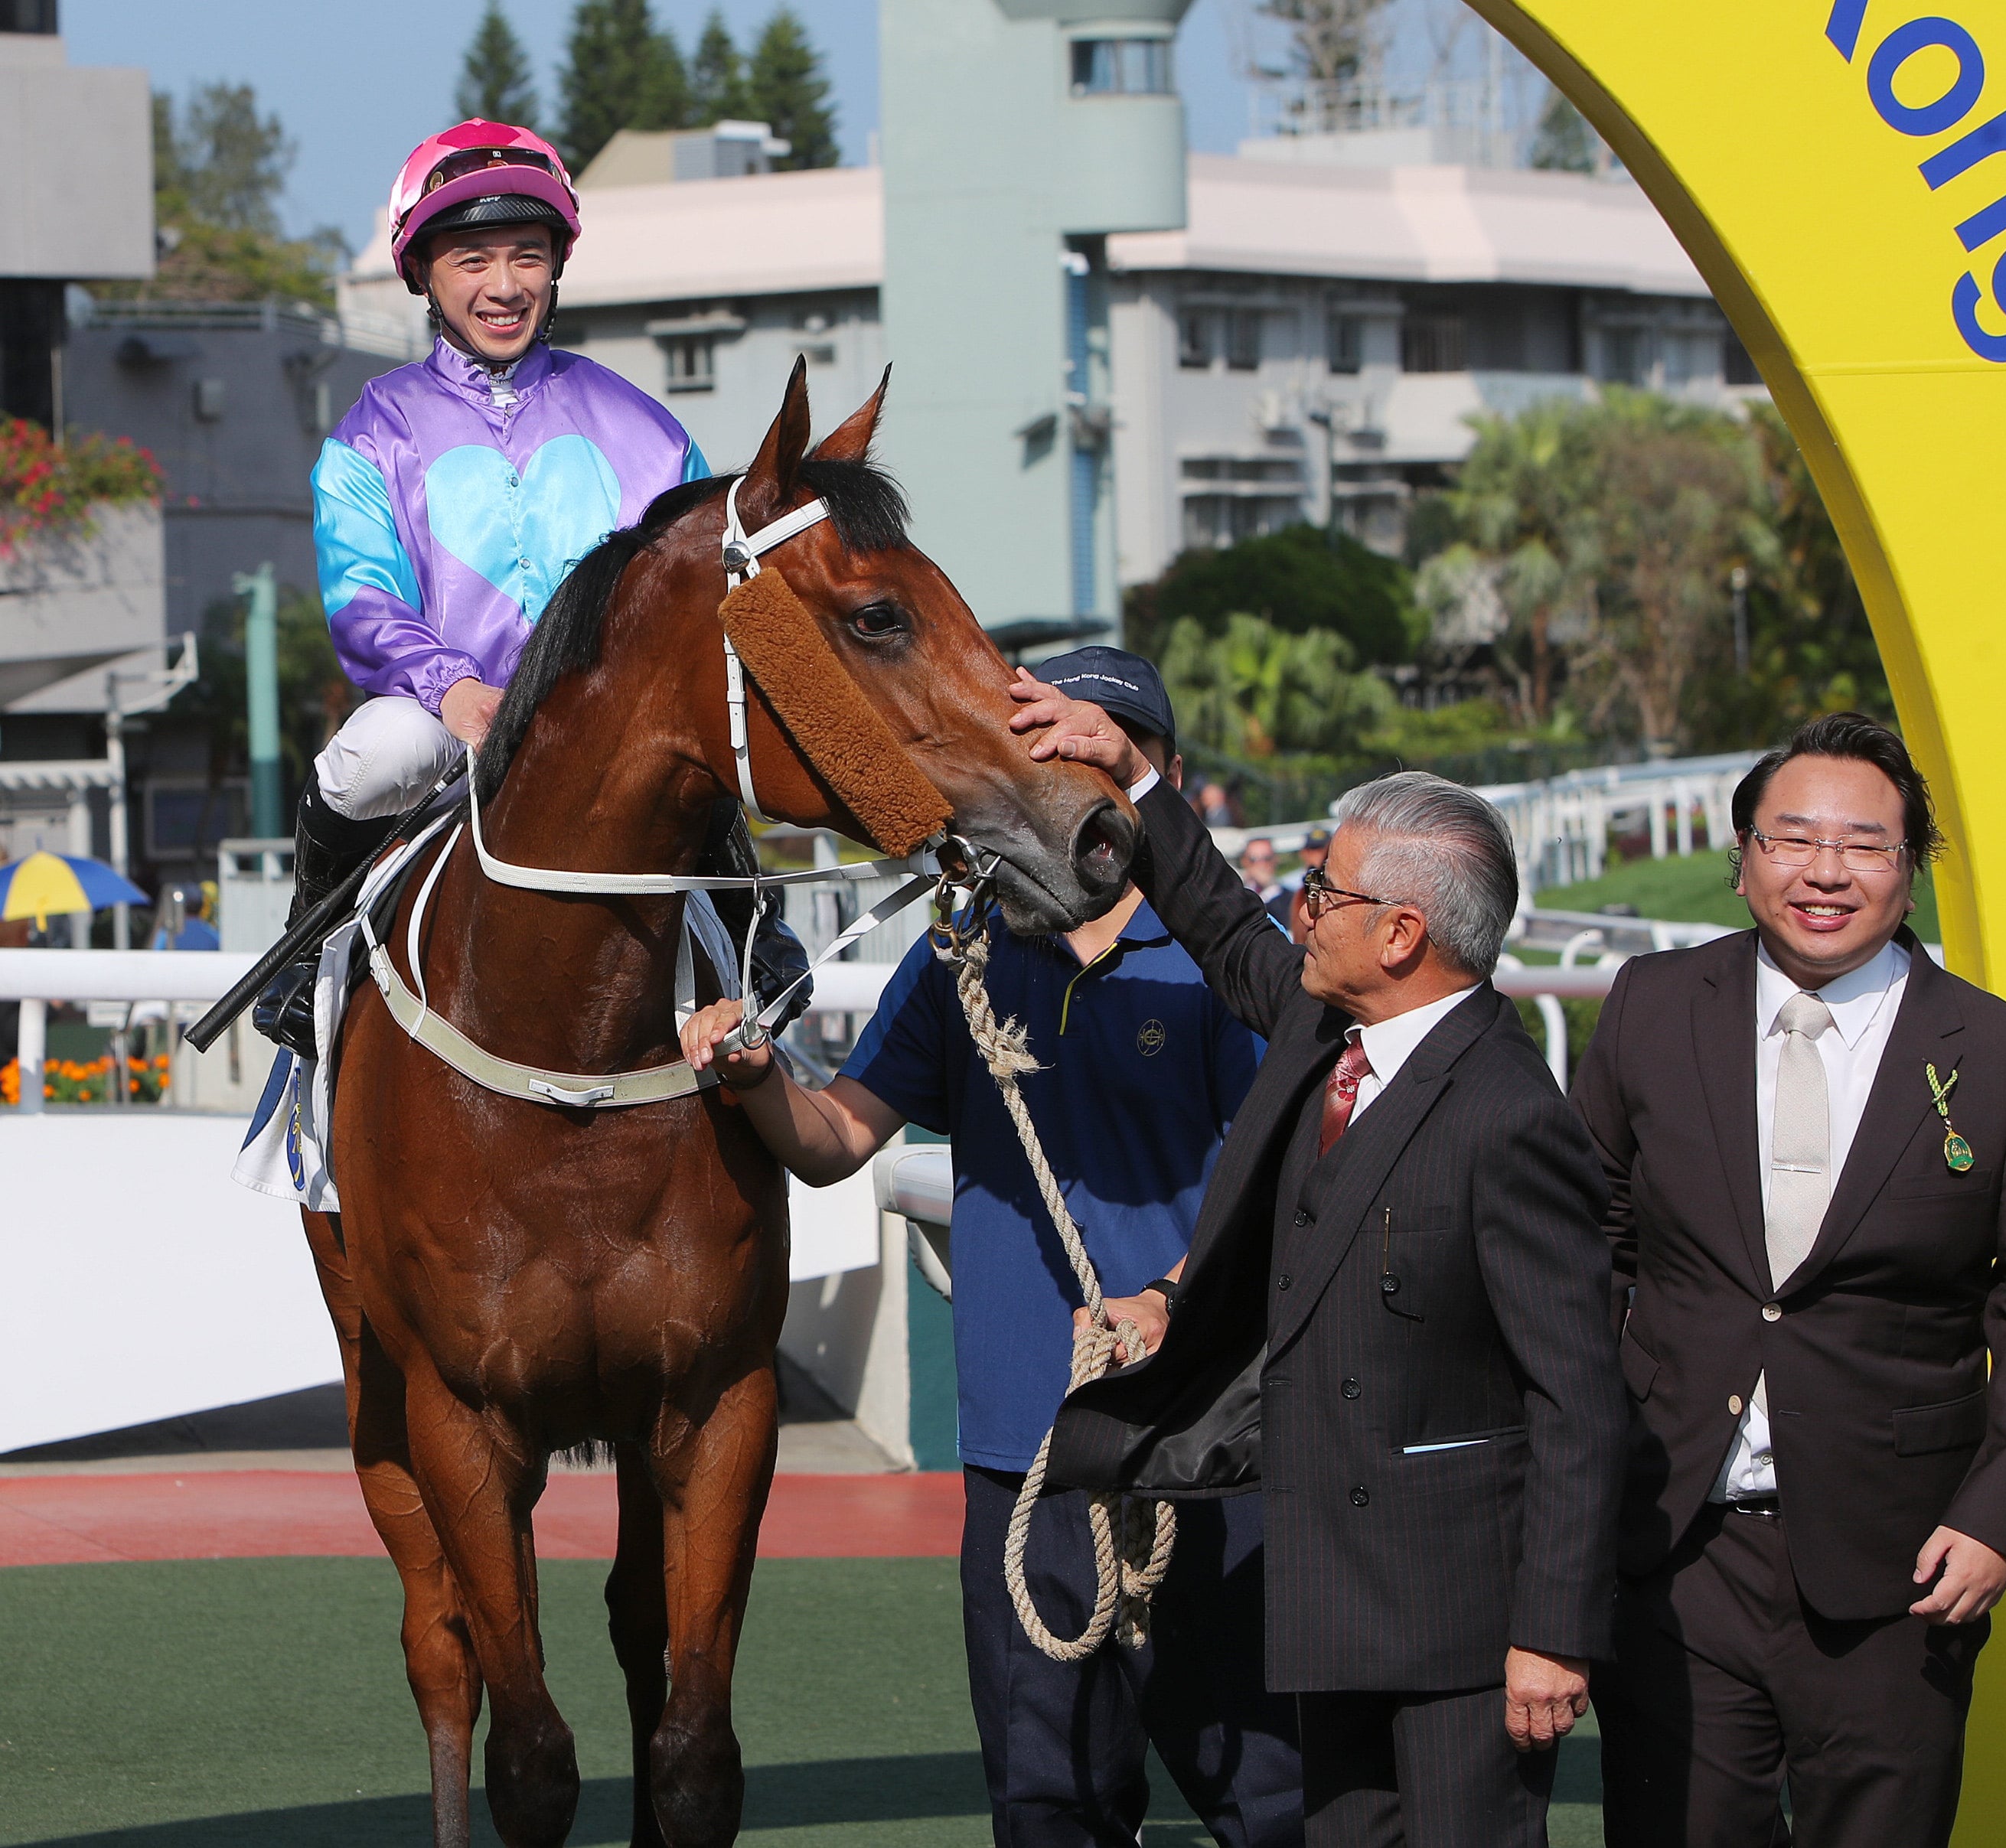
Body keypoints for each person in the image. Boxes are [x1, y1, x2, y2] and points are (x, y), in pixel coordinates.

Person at [683, 647, 1303, 1848]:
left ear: (1155, 776)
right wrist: (761, 1080)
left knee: (1273, 1798)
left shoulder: (1236, 964)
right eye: (1030, 759)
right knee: (1046, 1806)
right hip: (1025, 1448)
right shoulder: (967, 952)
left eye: (1084, 754)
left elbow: (1280, 1179)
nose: (1052, 786)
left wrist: (1168, 1297)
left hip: (1210, 1436)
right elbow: (835, 1137)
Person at [1015, 679, 1626, 1848]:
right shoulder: (1321, 1030)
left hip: (1464, 1622)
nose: (1300, 911)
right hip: (1335, 1598)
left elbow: (1578, 1399)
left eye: (1324, 892)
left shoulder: (1509, 1112)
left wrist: (1551, 1631)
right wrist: (1131, 780)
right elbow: (1221, 922)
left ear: (1402, 932)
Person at [1571, 712, 2006, 1848]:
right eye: (1791, 837)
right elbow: (1585, 1246)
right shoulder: (1647, 1003)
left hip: (1905, 1560)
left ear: (1911, 868)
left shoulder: (2004, 1055)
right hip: (1677, 1538)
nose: (1824, 870)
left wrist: (1994, 1519)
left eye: (1866, 844)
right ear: (1741, 857)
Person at [254, 118, 801, 1055]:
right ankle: (306, 950)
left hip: (609, 726)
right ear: (422, 272)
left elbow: (701, 591)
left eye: (527, 256)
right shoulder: (371, 433)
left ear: (556, 268)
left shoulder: (644, 426)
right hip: (445, 726)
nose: (503, 286)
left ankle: (756, 933)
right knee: (376, 750)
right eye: (472, 259)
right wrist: (454, 690)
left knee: (703, 738)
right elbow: (363, 604)